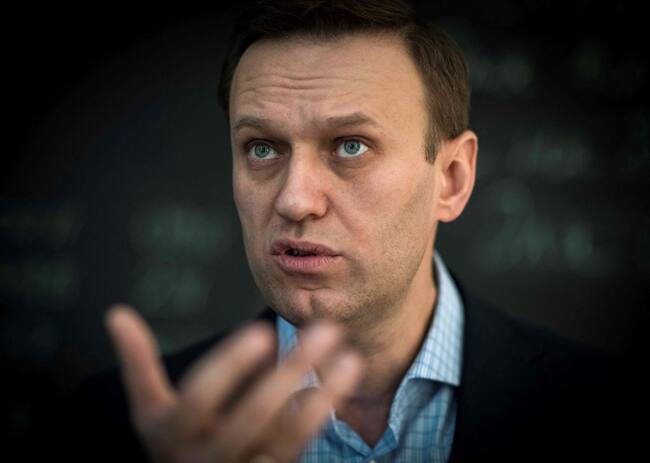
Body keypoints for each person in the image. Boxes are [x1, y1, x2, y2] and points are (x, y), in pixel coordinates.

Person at [31, 0, 640, 461]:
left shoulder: (600, 409)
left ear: (451, 179)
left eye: (351, 145)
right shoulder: (118, 429)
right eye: (262, 148)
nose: (295, 200)